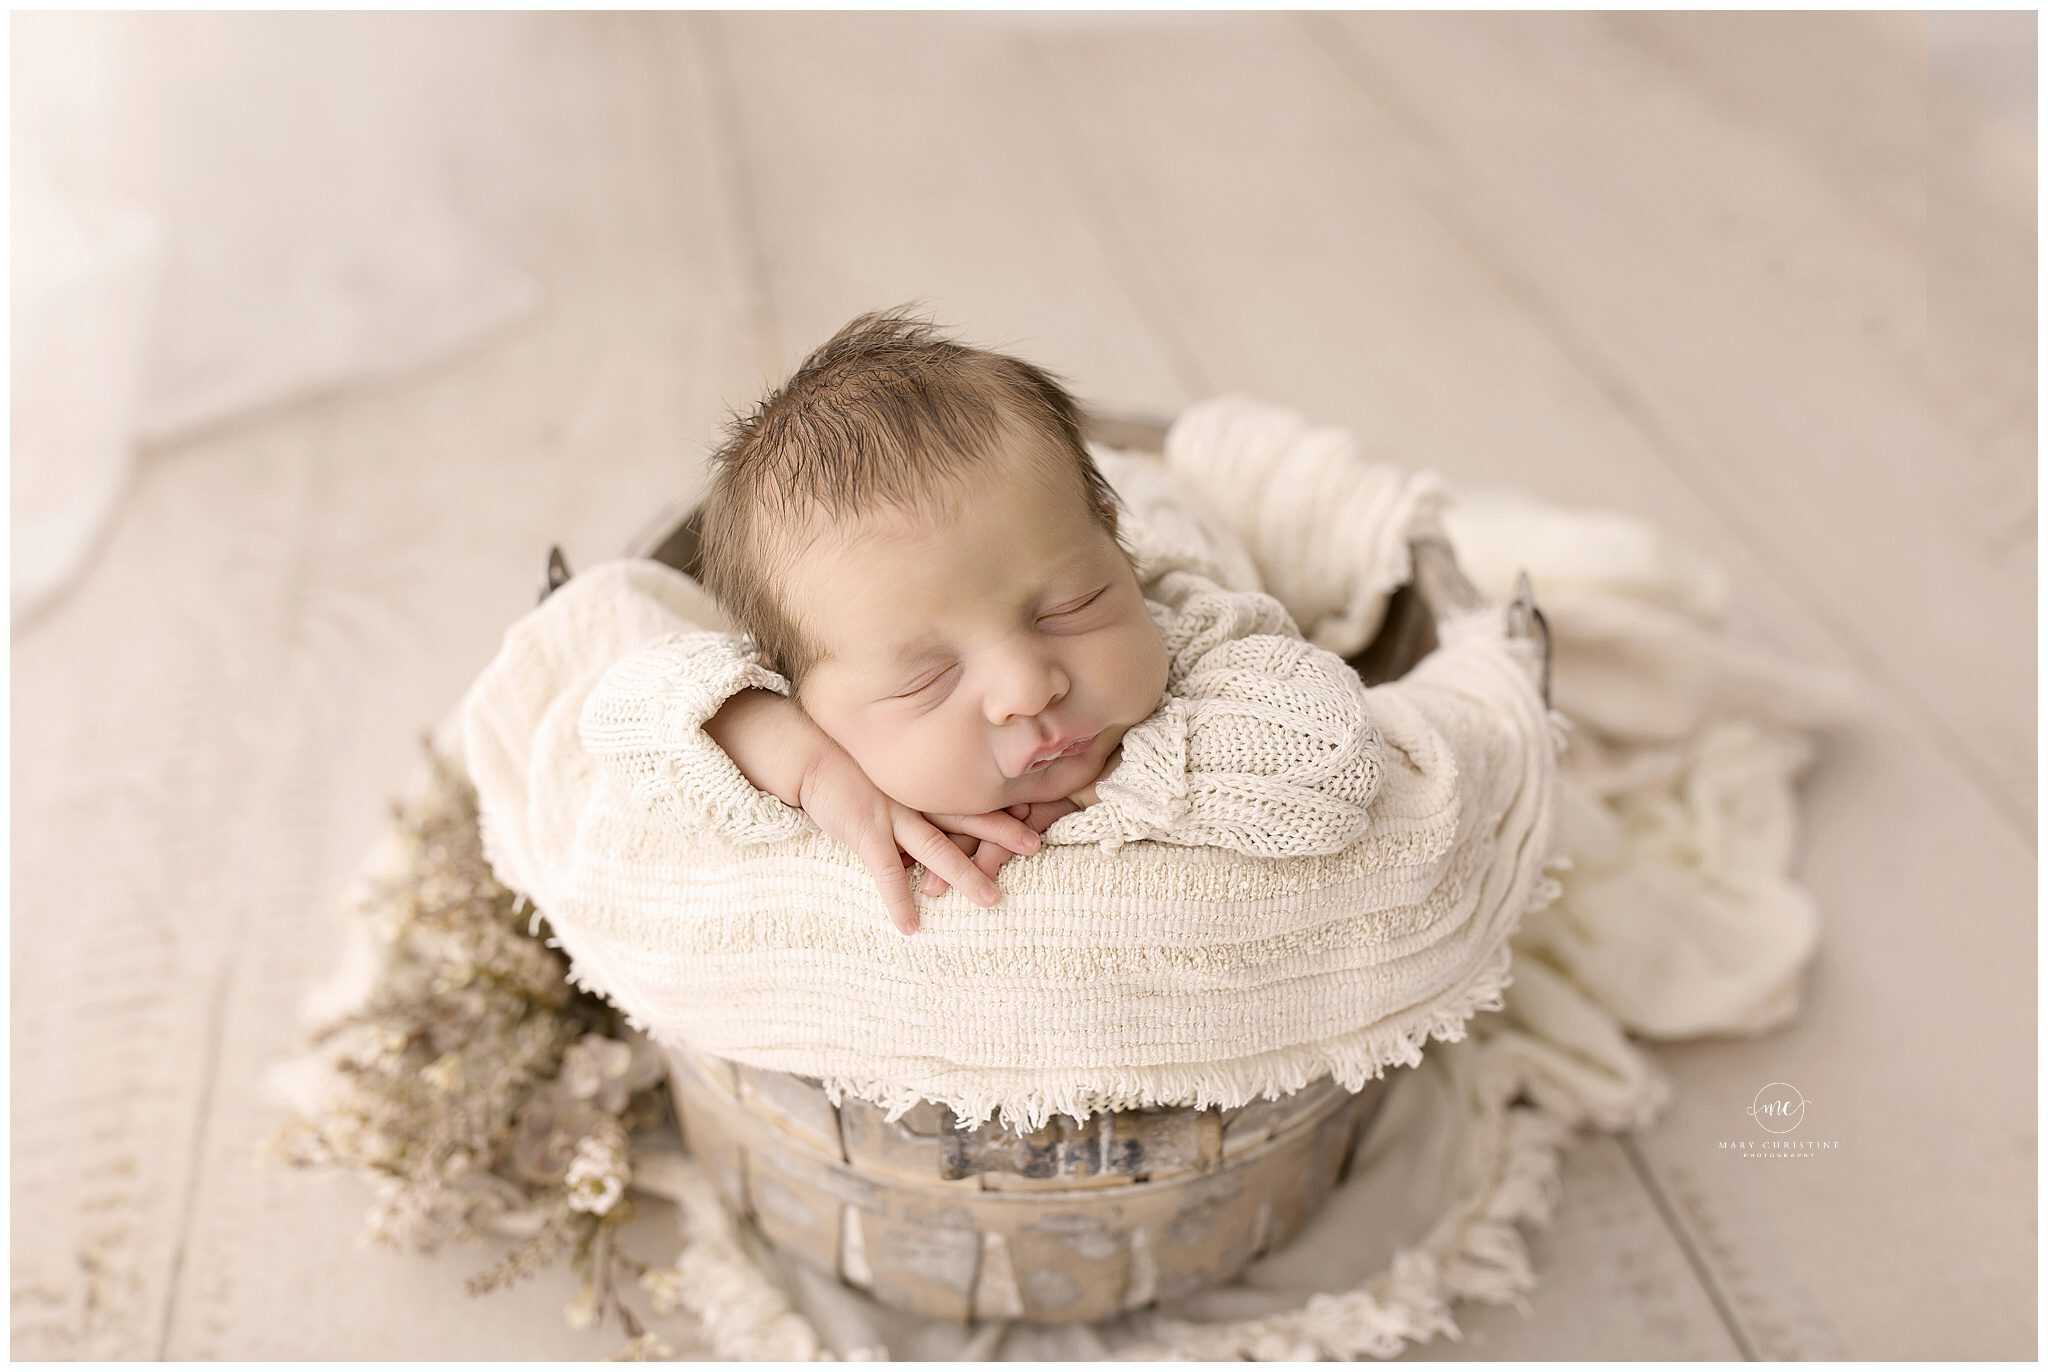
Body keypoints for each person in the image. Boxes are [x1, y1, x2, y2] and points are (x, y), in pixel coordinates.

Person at [464, 306, 1434, 938]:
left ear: (1116, 564)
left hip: (1143, 504)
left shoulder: (1194, 628)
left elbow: (1330, 755)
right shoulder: (798, 731)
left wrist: (1136, 783)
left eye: (1072, 606)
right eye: (927, 678)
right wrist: (804, 765)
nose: (1027, 684)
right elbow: (617, 707)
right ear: (805, 692)